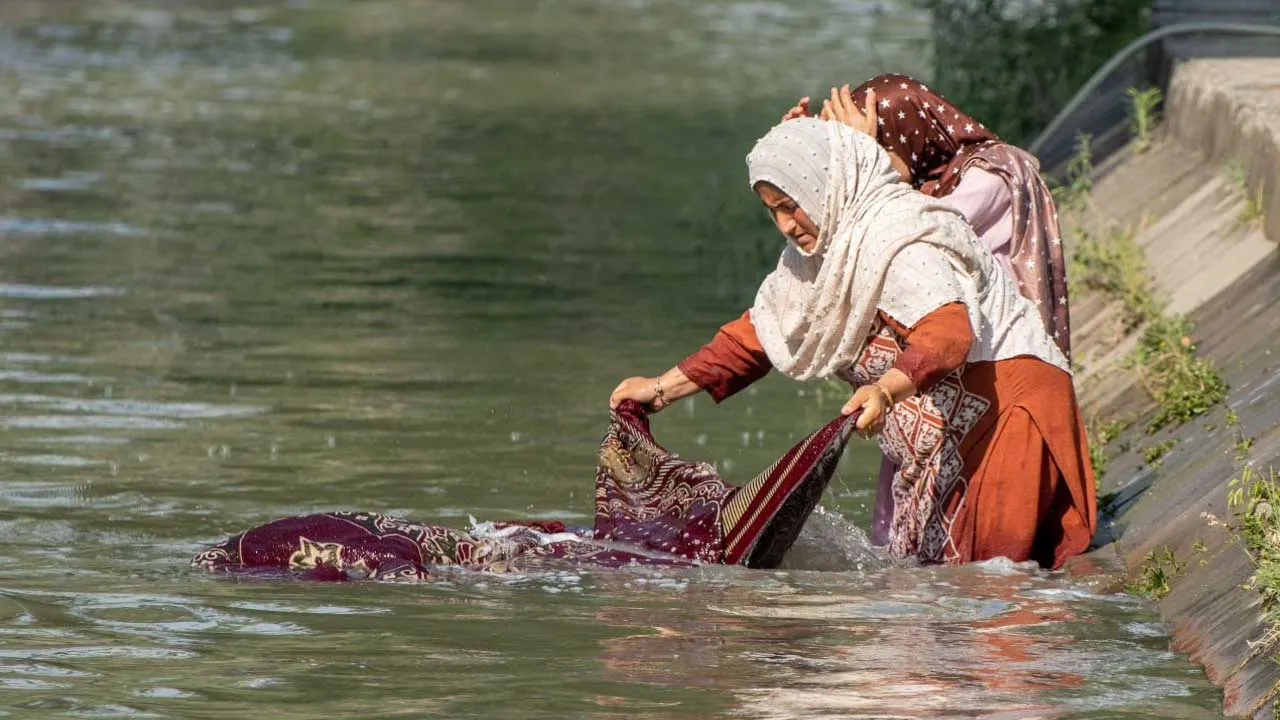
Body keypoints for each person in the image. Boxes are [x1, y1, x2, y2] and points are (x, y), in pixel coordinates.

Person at [609, 118, 1096, 569]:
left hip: (1007, 415)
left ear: (824, 188)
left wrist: (885, 391)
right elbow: (760, 334)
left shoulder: (899, 237)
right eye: (771, 211)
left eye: (790, 205)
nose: (785, 224)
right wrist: (659, 390)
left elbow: (948, 331)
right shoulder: (822, 258)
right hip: (946, 439)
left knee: (988, 599)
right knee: (927, 606)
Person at [783, 74, 1074, 544]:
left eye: (875, 149)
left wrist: (856, 163)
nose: (862, 164)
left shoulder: (991, 176)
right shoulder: (918, 185)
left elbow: (903, 226)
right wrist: (803, 161)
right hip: (930, 377)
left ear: (908, 133)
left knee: (989, 529)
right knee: (904, 534)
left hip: (991, 375)